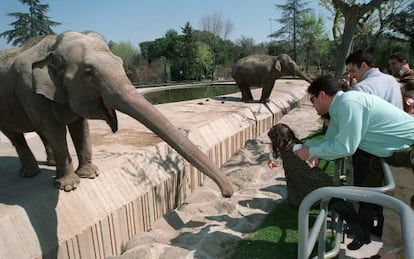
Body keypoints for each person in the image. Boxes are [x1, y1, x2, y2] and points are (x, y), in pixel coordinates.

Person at [295, 75, 414, 258]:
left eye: (312, 100)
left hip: (408, 160)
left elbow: (345, 146)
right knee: (393, 212)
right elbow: (331, 140)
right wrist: (314, 151)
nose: (312, 106)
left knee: (406, 212)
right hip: (397, 160)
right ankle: (389, 254)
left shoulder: (348, 104)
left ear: (322, 95)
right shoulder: (339, 107)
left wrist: (311, 151)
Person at [267, 123, 371, 250]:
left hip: (315, 182)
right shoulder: (284, 149)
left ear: (279, 139)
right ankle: (361, 233)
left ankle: (361, 235)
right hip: (306, 184)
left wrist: (312, 159)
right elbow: (273, 158)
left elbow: (311, 154)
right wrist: (272, 160)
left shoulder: (295, 147)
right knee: (337, 204)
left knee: (338, 204)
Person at [345, 49, 405, 248]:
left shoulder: (362, 89)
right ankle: (380, 227)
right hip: (393, 145)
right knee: (386, 187)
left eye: (353, 70)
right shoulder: (391, 81)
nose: (352, 75)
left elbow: (355, 124)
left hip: (368, 146)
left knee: (365, 189)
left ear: (363, 65)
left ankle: (363, 231)